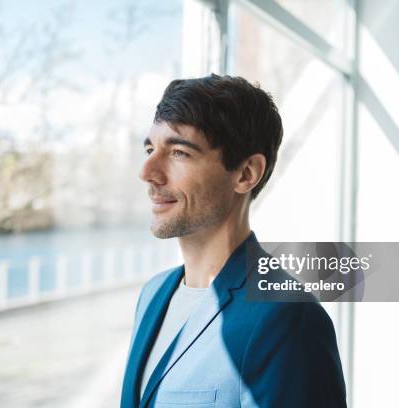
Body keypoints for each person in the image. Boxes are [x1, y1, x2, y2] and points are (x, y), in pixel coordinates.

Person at [120, 74, 347, 407]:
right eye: (151, 149)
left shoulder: (288, 318)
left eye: (179, 152)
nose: (148, 171)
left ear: (245, 174)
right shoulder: (152, 294)